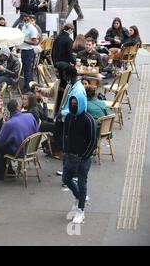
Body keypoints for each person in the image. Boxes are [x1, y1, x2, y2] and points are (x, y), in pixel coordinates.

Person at [62, 96, 97, 224]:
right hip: (70, 156)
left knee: (82, 183)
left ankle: (81, 210)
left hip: (83, 158)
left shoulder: (89, 120)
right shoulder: (69, 117)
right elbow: (65, 134)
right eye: (72, 104)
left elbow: (93, 141)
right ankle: (79, 197)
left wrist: (85, 157)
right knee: (66, 178)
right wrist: (65, 151)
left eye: (76, 104)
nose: (73, 106)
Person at [0, 99, 39, 179]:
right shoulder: (30, 116)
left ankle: (0, 172)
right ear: (18, 107)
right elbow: (37, 131)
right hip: (32, 148)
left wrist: (3, 127)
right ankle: (7, 170)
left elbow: (1, 142)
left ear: (9, 110)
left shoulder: (9, 123)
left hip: (19, 151)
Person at [19, 14, 39, 92]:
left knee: (27, 71)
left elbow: (34, 42)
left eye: (28, 20)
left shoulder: (32, 29)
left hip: (28, 51)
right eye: (25, 20)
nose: (26, 21)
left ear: (31, 20)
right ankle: (28, 87)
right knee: (26, 71)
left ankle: (28, 88)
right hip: (23, 50)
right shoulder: (24, 27)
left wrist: (23, 40)